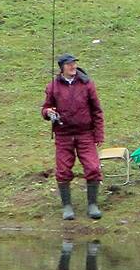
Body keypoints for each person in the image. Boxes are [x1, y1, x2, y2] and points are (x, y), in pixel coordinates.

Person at [41, 53, 105, 220]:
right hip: (63, 135)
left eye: (74, 64)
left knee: (93, 167)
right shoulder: (52, 86)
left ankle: (92, 205)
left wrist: (98, 134)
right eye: (70, 64)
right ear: (62, 67)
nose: (73, 67)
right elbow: (46, 108)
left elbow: (97, 110)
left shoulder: (87, 84)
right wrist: (48, 113)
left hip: (85, 134)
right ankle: (67, 206)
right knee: (62, 170)